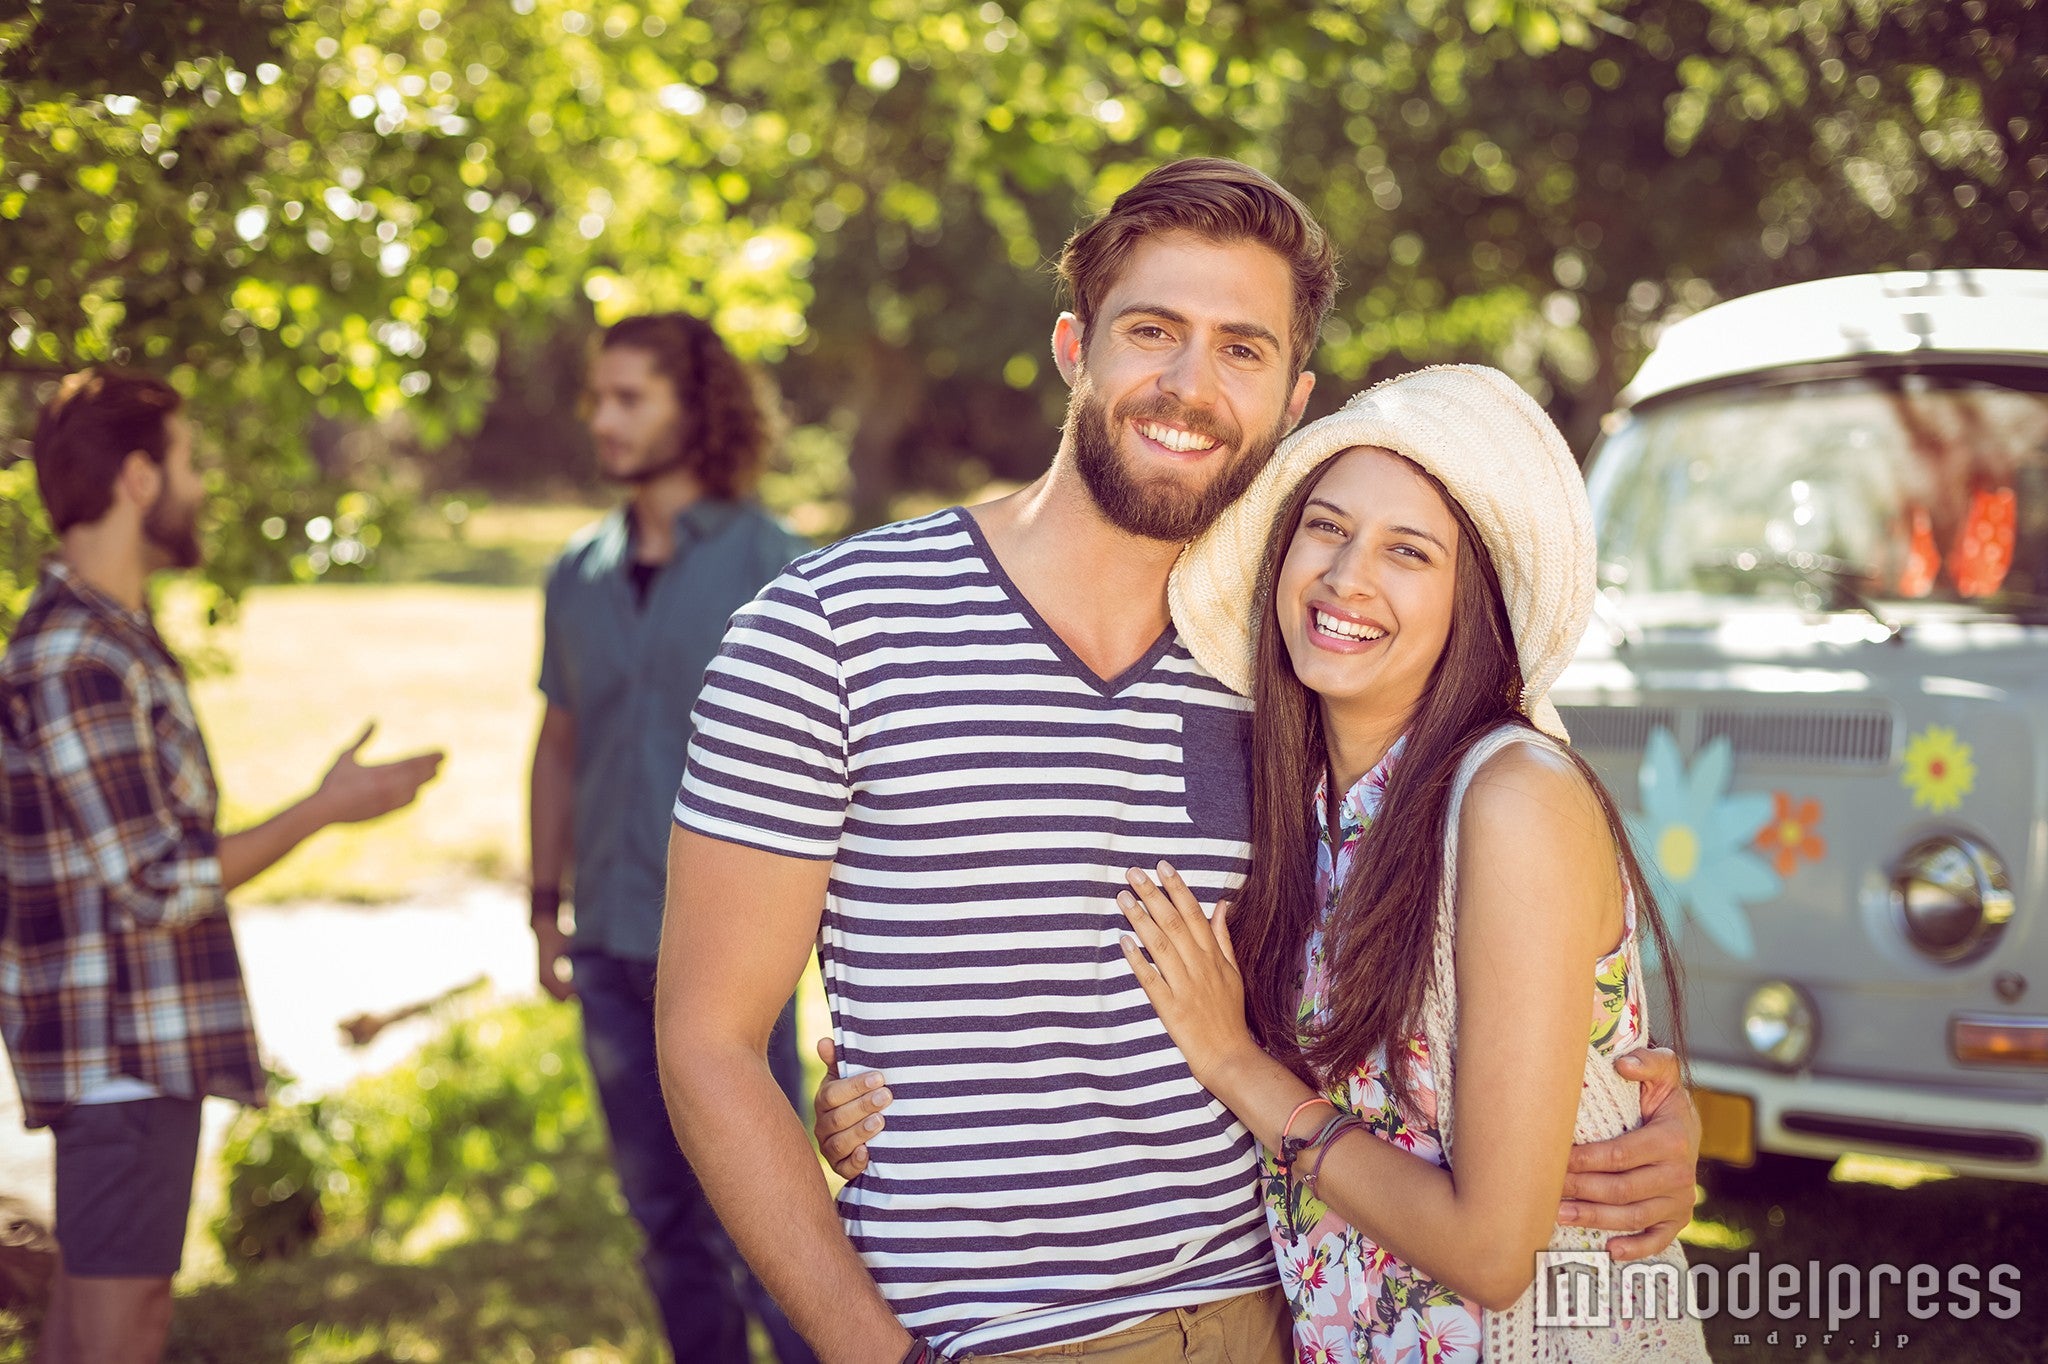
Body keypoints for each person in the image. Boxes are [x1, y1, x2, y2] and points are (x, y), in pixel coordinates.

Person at [658, 160, 1700, 1363]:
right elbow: (707, 1039)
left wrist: (1629, 1118)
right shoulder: (829, 628)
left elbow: (1472, 925)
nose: (1188, 385)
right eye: (1152, 331)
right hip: (995, 1338)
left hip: (1284, 1311)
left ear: (1292, 395)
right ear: (1072, 346)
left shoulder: (1293, 664)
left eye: (1241, 349)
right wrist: (869, 1346)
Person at [1114, 366, 1710, 1360]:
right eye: (1326, 527)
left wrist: (1233, 1064)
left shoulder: (1508, 795)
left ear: (1465, 602)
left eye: (1407, 551)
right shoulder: (1300, 797)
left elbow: (1490, 1251)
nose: (1348, 576)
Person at [0, 368, 444, 1364]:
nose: (203, 484)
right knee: (123, 1324)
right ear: (138, 478)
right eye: (190, 460)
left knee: (94, 1318)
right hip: (119, 1052)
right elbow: (154, 880)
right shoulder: (78, 653)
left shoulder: (112, 637)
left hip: (136, 1046)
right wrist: (327, 809)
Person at [528, 312, 814, 1364]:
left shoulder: (780, 566)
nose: (603, 419)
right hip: (605, 944)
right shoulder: (575, 571)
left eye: (629, 397)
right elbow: (559, 744)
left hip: (731, 954)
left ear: (695, 409)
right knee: (662, 1222)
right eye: (597, 397)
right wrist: (540, 907)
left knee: (766, 1219)